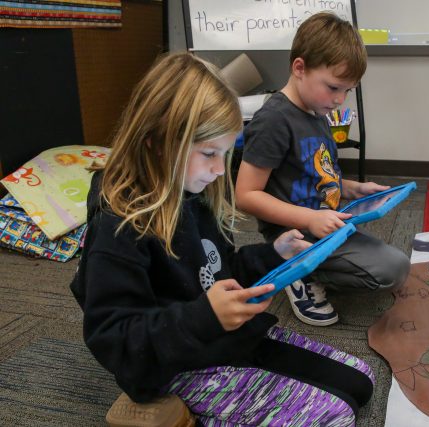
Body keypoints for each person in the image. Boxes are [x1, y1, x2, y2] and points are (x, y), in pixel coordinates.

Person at [70, 52, 373, 426]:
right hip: (173, 362)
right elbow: (112, 339)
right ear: (157, 142)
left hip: (218, 337)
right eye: (210, 154)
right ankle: (162, 412)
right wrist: (204, 316)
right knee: (336, 415)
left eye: (225, 154)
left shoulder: (192, 192)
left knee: (361, 380)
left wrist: (273, 255)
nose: (219, 171)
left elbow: (219, 270)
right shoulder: (118, 225)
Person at [236, 12, 411, 326]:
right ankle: (293, 270)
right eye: (333, 88)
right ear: (299, 68)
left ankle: (310, 266)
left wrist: (354, 188)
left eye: (347, 90)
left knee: (396, 266)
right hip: (295, 232)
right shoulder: (274, 120)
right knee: (391, 270)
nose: (340, 100)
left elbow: (316, 173)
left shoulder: (315, 108)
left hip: (324, 223)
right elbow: (245, 195)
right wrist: (310, 218)